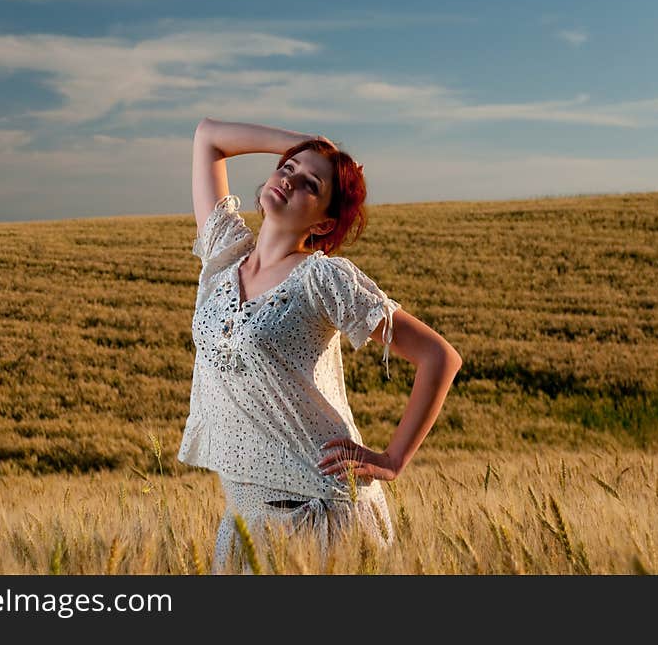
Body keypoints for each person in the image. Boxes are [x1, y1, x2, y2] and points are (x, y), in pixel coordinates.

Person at [178, 117, 463, 573]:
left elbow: (439, 357)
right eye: (287, 169)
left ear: (325, 221)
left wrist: (392, 460)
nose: (288, 181)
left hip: (321, 516)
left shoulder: (322, 277)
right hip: (247, 520)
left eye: (309, 184)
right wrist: (306, 145)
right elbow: (208, 137)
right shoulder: (224, 255)